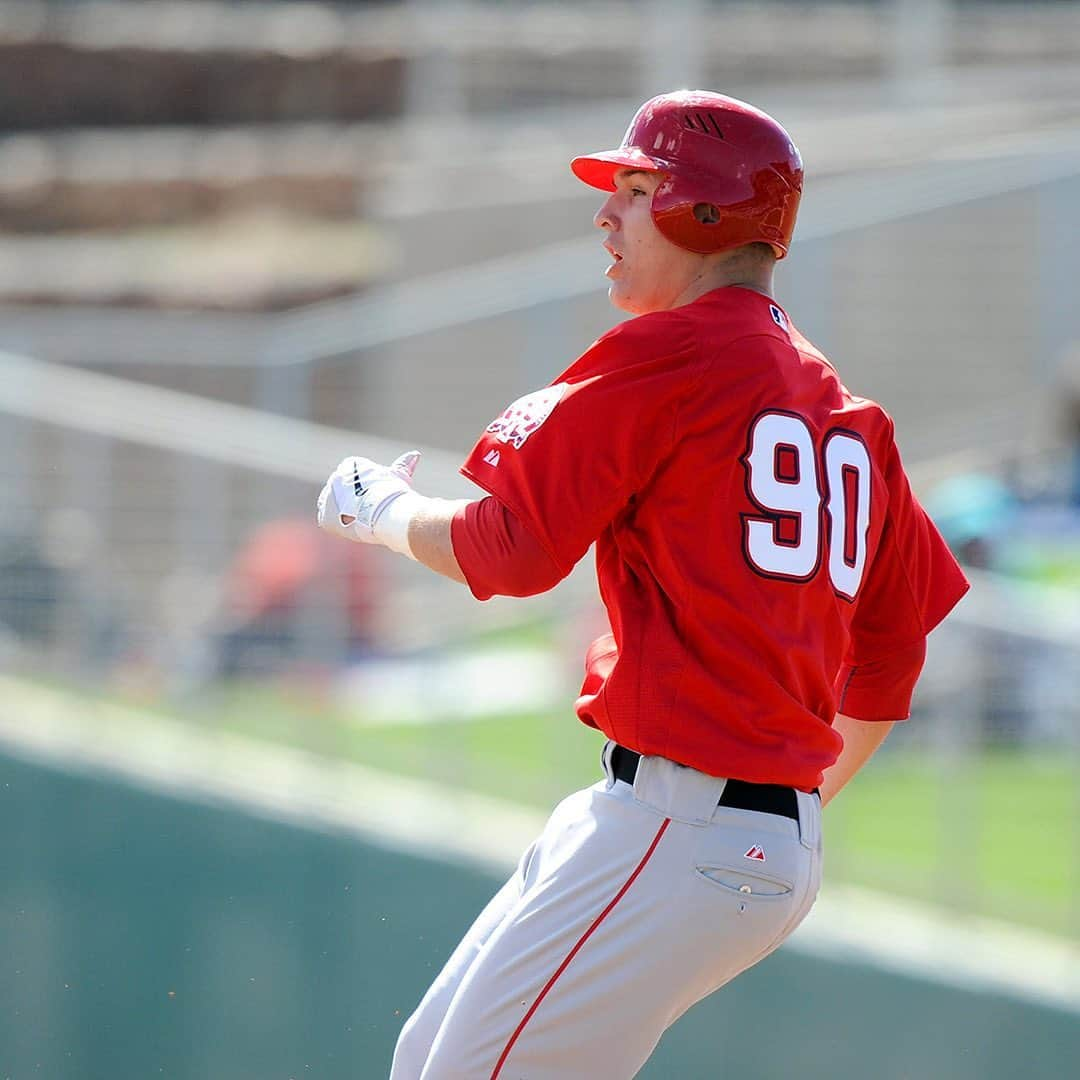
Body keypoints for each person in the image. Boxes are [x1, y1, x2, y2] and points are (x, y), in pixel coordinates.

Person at [317, 90, 969, 1079]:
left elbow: (507, 552)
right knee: (425, 1061)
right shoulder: (846, 410)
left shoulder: (674, 353)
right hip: (728, 833)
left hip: (679, 820)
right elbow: (891, 652)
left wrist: (378, 510)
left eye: (634, 189)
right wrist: (783, 811)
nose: (606, 215)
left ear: (701, 212)